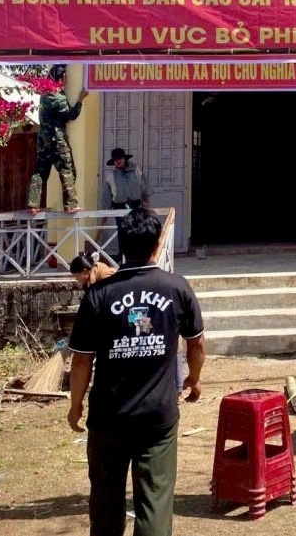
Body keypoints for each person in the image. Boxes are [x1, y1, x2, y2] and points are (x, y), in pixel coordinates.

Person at [68, 207, 205, 536]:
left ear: (121, 244)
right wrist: (194, 379)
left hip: (108, 416)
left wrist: (75, 405)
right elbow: (197, 344)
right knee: (155, 502)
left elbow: (81, 360)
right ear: (157, 244)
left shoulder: (98, 296)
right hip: (157, 418)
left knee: (105, 501)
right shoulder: (177, 288)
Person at [27, 64, 86, 213]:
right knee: (67, 170)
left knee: (40, 172)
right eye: (65, 76)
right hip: (57, 140)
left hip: (43, 140)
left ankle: (33, 204)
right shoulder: (58, 97)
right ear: (62, 78)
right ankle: (70, 204)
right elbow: (71, 115)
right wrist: (80, 100)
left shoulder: (44, 95)